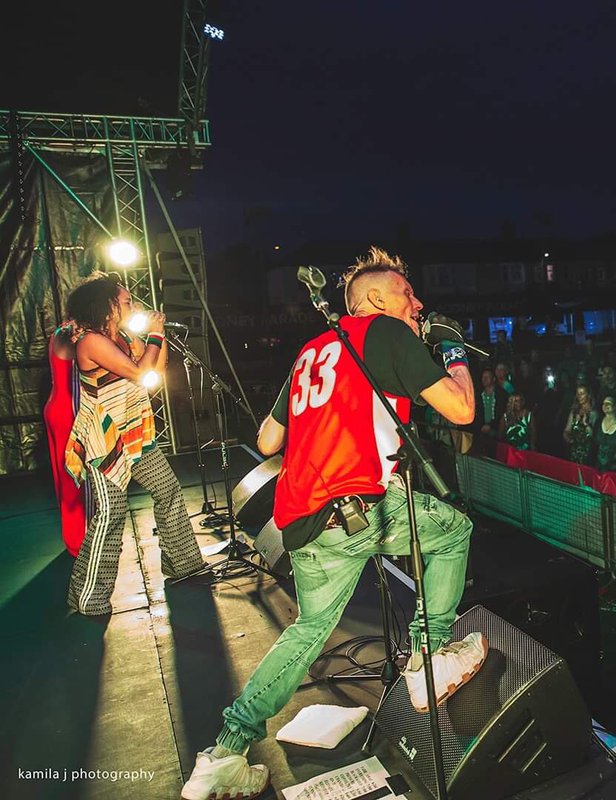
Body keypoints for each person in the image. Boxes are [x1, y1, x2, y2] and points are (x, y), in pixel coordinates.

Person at [182, 248, 484, 800]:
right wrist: (453, 348)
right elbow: (462, 410)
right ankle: (428, 656)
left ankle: (225, 750)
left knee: (307, 633)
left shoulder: (311, 351)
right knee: (454, 532)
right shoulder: (387, 337)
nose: (418, 304)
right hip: (360, 506)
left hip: (303, 518)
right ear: (374, 302)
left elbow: (269, 441)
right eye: (407, 294)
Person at [62, 273, 205, 616]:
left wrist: (158, 337)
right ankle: (87, 597)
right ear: (107, 306)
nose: (133, 306)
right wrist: (153, 334)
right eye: (126, 301)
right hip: (104, 438)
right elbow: (139, 373)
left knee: (168, 489)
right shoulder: (90, 341)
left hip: (135, 432)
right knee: (110, 514)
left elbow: (155, 368)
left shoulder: (124, 337)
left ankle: (182, 562)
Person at [44, 320, 87, 556]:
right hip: (67, 410)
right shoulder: (71, 332)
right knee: (73, 476)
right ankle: (77, 542)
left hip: (59, 407)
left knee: (68, 477)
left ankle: (77, 538)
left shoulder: (65, 330)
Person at [563, 384, 599, 465]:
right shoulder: (574, 411)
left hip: (587, 453)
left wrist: (586, 424)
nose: (579, 396)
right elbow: (566, 430)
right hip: (573, 451)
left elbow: (595, 437)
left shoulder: (594, 414)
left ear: (588, 395)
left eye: (582, 393)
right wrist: (567, 437)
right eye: (578, 393)